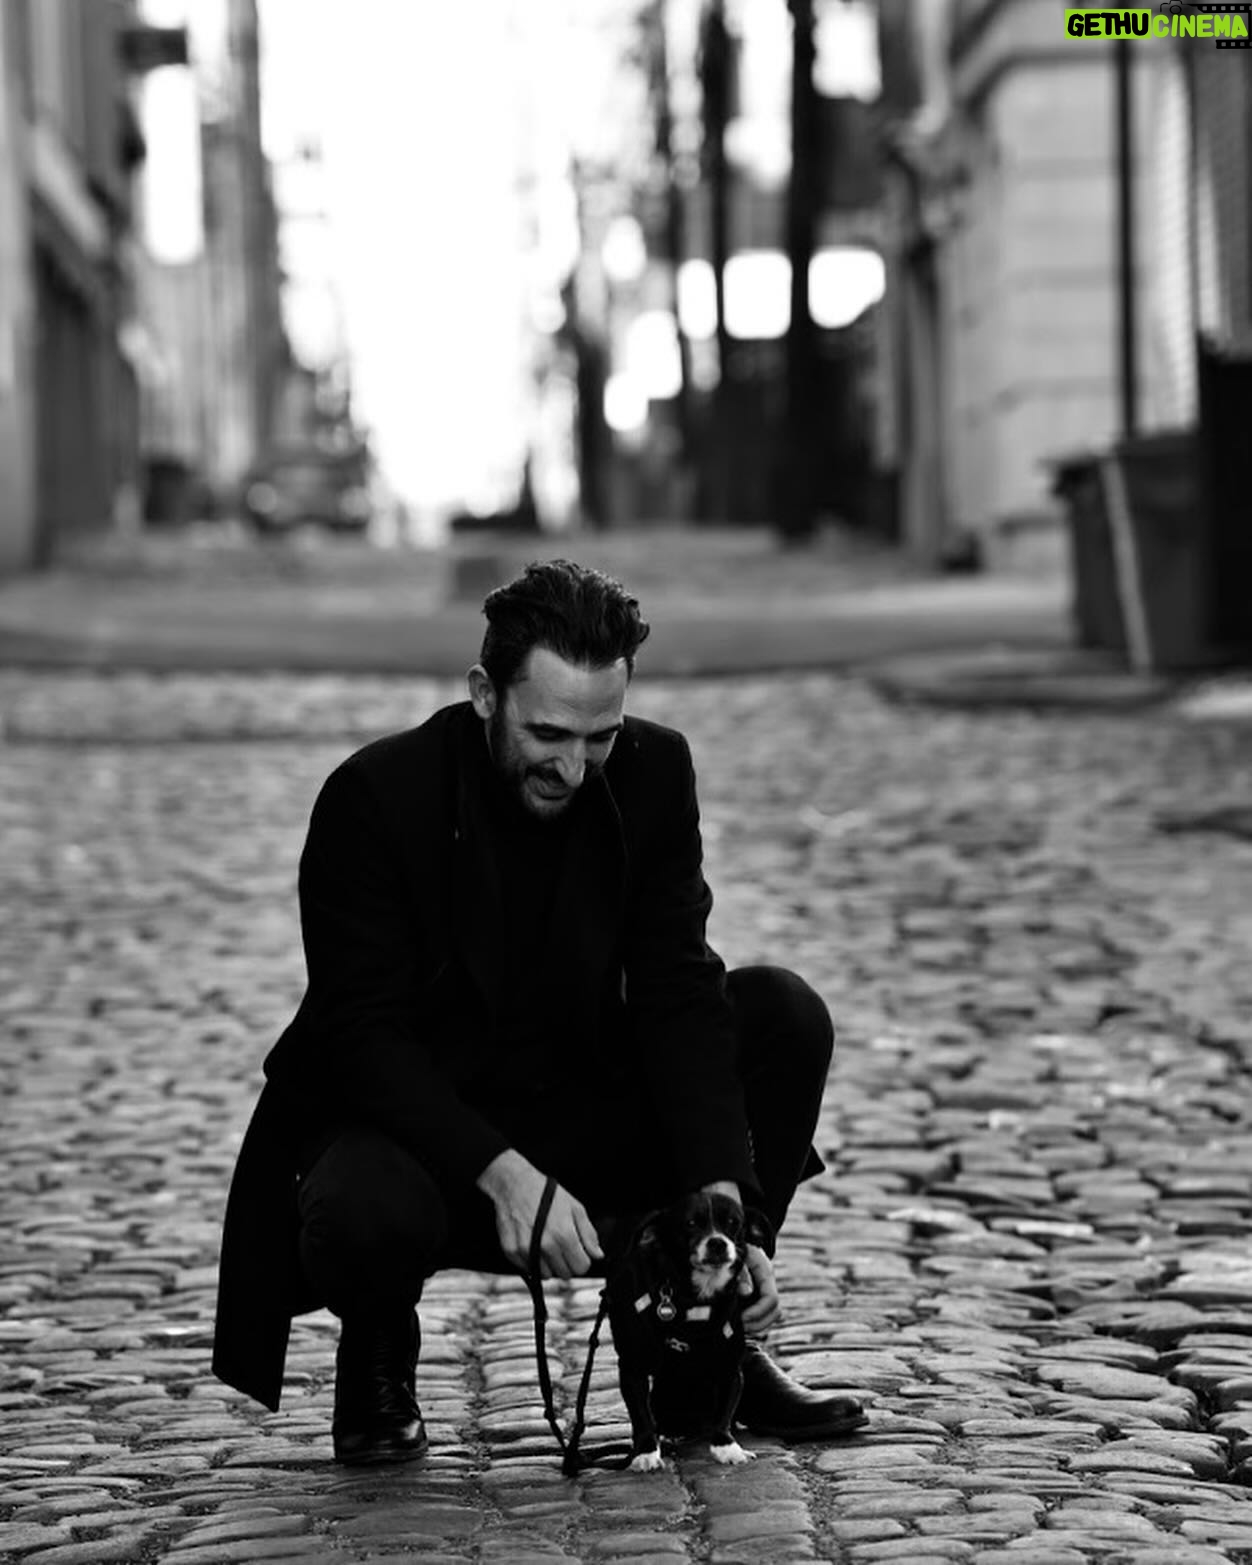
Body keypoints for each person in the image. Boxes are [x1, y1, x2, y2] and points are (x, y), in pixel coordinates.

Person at [212, 559, 865, 1463]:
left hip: (584, 1107)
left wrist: (727, 1204)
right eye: (548, 733)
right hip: (420, 1136)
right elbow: (359, 1037)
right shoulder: (373, 797)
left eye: (600, 736)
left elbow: (679, 991)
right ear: (485, 693)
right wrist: (502, 1172)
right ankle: (378, 1349)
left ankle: (704, 1342)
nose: (573, 766)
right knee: (362, 1204)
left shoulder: (655, 770)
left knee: (784, 1014)